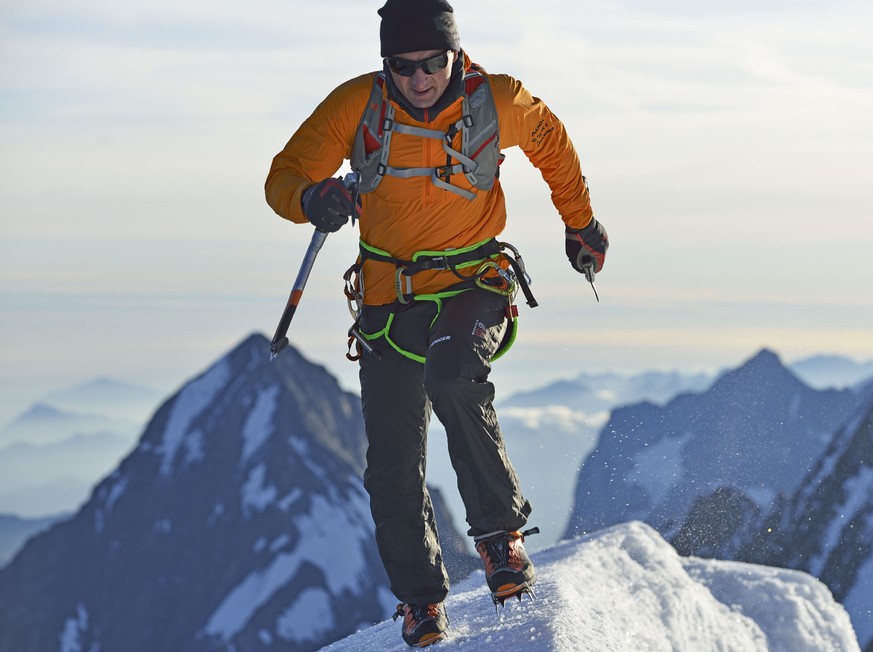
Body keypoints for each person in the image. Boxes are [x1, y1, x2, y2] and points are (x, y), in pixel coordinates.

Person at [265, 0, 608, 646]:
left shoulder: (497, 100)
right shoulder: (355, 107)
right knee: (393, 460)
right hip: (387, 301)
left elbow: (551, 143)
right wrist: (311, 197)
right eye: (402, 66)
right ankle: (421, 600)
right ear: (385, 63)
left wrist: (579, 222)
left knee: (454, 374)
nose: (418, 78)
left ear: (456, 55)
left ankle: (500, 538)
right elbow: (281, 177)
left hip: (472, 285)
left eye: (432, 63)